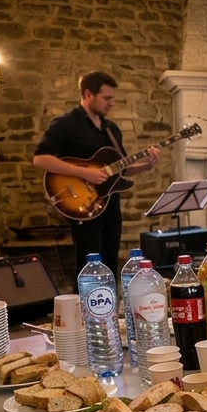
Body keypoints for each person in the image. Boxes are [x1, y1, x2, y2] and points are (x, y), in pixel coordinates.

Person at [33, 71, 160, 272]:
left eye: (113, 98)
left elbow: (122, 170)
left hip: (110, 205)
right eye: (107, 98)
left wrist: (147, 165)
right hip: (81, 203)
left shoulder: (112, 129)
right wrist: (84, 173)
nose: (112, 103)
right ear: (88, 94)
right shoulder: (65, 124)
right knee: (88, 268)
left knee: (110, 264)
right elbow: (40, 159)